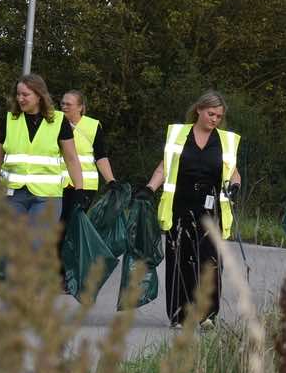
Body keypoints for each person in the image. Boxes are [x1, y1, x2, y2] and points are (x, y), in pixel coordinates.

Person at [141, 90, 241, 328]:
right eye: (210, 114)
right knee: (179, 259)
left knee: (210, 259)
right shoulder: (178, 134)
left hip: (210, 205)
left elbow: (234, 172)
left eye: (219, 116)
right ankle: (180, 314)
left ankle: (207, 315)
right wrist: (149, 188)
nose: (214, 119)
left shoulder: (225, 140)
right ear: (199, 109)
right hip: (180, 204)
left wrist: (235, 186)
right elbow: (165, 166)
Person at [0, 74, 84, 222]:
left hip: (47, 197)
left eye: (25, 94)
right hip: (12, 196)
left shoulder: (59, 121)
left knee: (36, 244)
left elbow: (71, 158)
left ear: (39, 96)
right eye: (17, 94)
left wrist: (79, 190)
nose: (20, 99)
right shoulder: (7, 121)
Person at [59, 90, 117, 218]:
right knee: (59, 226)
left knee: (74, 224)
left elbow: (101, 157)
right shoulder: (55, 123)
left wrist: (111, 181)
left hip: (85, 185)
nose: (64, 107)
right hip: (59, 183)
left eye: (68, 104)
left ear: (80, 107)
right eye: (62, 104)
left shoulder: (93, 126)